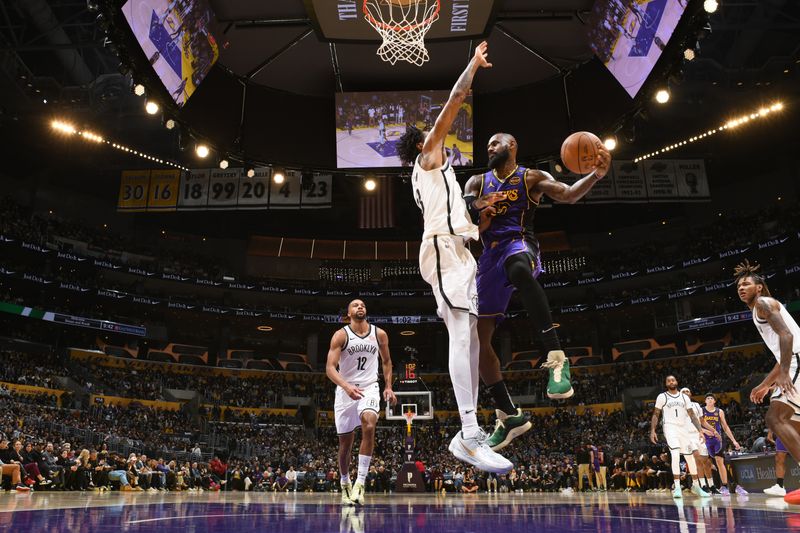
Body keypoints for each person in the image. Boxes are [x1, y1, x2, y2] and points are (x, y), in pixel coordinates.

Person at [396, 41, 512, 475]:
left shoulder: (444, 177)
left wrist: (484, 213)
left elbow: (466, 220)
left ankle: (471, 433)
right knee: (461, 335)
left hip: (461, 252)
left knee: (473, 339)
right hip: (443, 251)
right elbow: (455, 100)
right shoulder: (427, 159)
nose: (440, 138)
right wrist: (473, 65)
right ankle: (467, 432)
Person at [463, 132, 610, 450]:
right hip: (487, 257)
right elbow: (464, 211)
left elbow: (569, 194)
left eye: (496, 142)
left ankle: (557, 358)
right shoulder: (477, 181)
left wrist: (596, 174)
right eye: (488, 144)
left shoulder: (530, 178)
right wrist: (479, 212)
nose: (490, 147)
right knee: (477, 341)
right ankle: (508, 414)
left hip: (520, 244)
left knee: (518, 268)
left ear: (512, 146)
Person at [738, 260, 800, 503]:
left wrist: (784, 373)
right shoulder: (759, 310)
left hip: (797, 362)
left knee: (775, 418)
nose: (741, 288)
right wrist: (765, 383)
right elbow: (782, 352)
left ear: (759, 288)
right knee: (791, 423)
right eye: (738, 286)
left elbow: (788, 336)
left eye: (746, 284)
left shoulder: (763, 303)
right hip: (794, 361)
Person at [326, 299, 397, 505]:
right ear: (348, 313)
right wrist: (346, 387)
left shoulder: (380, 334)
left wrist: (388, 386)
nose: (360, 307)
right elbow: (330, 368)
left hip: (369, 387)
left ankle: (361, 482)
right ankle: (345, 481)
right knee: (345, 445)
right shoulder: (341, 335)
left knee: (369, 424)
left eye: (363, 305)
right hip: (345, 390)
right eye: (355, 305)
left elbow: (386, 362)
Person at [650, 375, 714, 499]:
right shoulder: (662, 396)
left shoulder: (684, 397)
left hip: (683, 428)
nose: (671, 382)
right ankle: (677, 487)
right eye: (668, 380)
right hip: (670, 427)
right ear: (666, 383)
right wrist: (653, 430)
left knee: (690, 457)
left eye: (673, 380)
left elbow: (692, 415)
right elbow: (656, 414)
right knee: (675, 454)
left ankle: (696, 486)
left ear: (676, 382)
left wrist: (700, 430)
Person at [702, 393, 746, 495]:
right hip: (706, 441)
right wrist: (704, 432)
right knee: (716, 465)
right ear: (705, 401)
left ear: (714, 401)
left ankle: (725, 487)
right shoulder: (701, 411)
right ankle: (733, 485)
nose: (709, 399)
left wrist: (734, 440)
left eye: (711, 398)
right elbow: (697, 425)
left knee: (719, 461)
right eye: (707, 398)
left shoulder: (719, 411)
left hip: (718, 440)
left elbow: (725, 427)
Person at [679, 387, 720, 494]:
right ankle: (703, 485)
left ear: (691, 394)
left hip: (698, 435)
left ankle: (711, 486)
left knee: (706, 462)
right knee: (697, 459)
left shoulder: (696, 405)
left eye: (687, 391)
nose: (686, 393)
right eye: (683, 391)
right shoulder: (678, 408)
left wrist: (713, 431)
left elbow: (702, 421)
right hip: (687, 436)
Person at [765, 431, 788, 497]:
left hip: (794, 429)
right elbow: (773, 420)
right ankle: (780, 486)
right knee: (779, 458)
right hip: (782, 432)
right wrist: (770, 432)